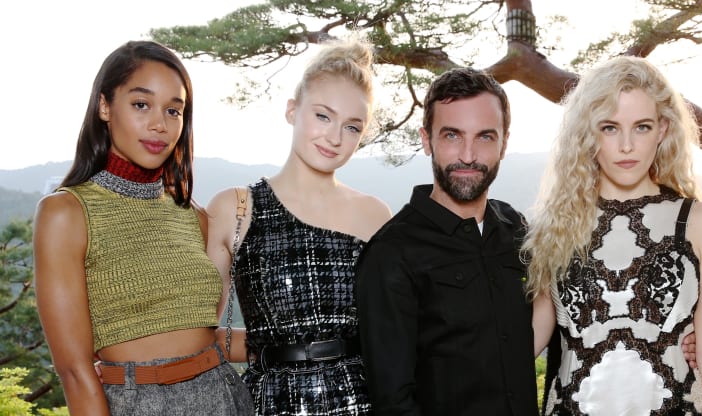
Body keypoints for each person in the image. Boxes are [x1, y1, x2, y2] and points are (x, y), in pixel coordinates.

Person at [33, 40, 254, 415]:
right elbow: (75, 372)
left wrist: (312, 340)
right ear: (105, 106)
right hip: (138, 404)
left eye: (173, 110)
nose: (159, 124)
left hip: (224, 394)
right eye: (141, 104)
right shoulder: (66, 213)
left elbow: (203, 335)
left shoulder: (193, 215)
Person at [523, 56, 702, 415]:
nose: (626, 145)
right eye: (609, 127)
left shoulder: (699, 222)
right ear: (589, 132)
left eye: (642, 127)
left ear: (663, 130)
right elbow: (524, 343)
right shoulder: (555, 227)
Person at [205, 36, 392, 415]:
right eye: (323, 116)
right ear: (292, 110)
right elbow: (205, 336)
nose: (335, 137)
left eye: (352, 127)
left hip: (362, 402)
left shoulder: (376, 216)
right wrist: (270, 350)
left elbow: (392, 335)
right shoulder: (235, 209)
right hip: (270, 402)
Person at [355, 67, 539, 415]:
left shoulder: (514, 227)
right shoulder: (391, 253)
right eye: (452, 136)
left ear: (504, 143)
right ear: (427, 140)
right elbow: (392, 402)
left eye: (485, 137)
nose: (468, 155)